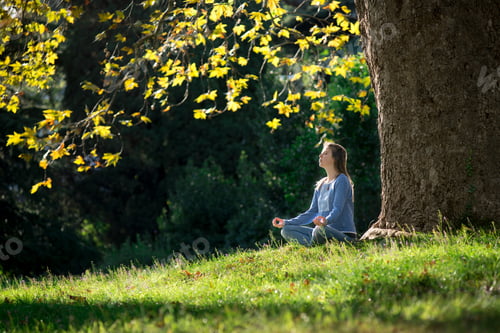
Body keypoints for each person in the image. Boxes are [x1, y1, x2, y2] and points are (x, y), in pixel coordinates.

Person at [272, 142, 357, 246]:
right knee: (286, 230)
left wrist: (326, 221)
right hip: (321, 232)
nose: (320, 156)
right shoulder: (321, 184)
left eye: (325, 153)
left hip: (343, 235)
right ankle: (315, 246)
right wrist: (286, 222)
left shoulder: (341, 180)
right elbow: (312, 212)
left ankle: (313, 247)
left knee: (318, 230)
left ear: (335, 158)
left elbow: (337, 209)